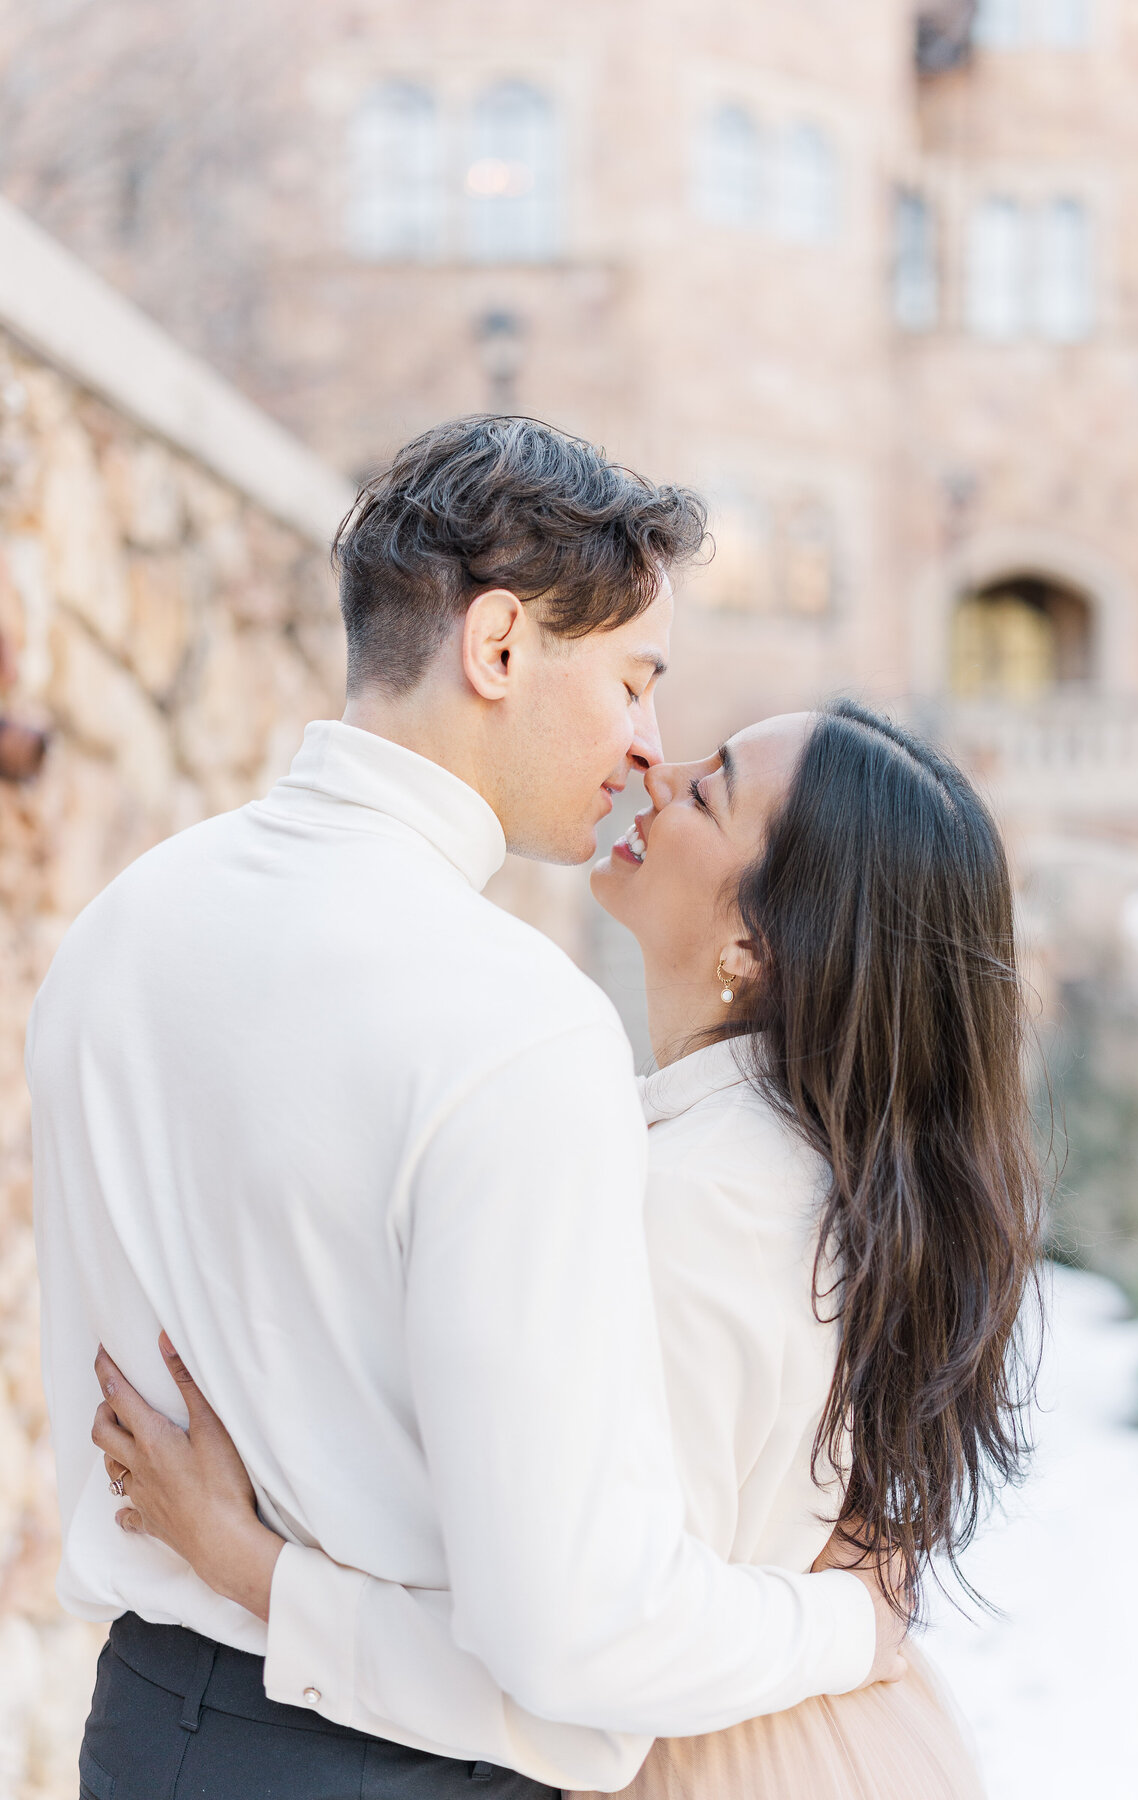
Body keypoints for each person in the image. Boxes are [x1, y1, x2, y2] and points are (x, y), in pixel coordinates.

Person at [30, 418, 903, 1800]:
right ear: (498, 647)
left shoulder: (121, 924)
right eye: (633, 679)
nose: (647, 745)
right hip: (405, 1763)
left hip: (141, 1731)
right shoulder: (520, 1024)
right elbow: (578, 1638)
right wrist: (853, 1617)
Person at [93, 699, 1042, 1799]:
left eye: (709, 786)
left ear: (755, 940)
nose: (655, 761)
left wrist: (248, 1568)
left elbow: (592, 1662)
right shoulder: (765, 1162)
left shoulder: (708, 1204)